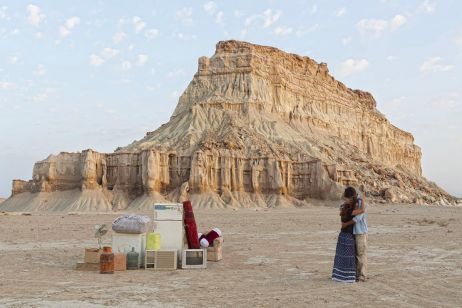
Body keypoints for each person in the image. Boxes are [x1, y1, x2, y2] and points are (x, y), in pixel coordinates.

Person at [342, 186, 368, 282]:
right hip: (354, 232)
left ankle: (362, 275)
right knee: (356, 254)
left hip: (360, 232)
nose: (346, 200)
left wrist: (345, 225)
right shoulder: (353, 203)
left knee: (361, 254)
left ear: (351, 197)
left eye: (347, 198)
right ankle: (357, 274)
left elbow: (357, 218)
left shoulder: (360, 203)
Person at [331, 197, 357, 283]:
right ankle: (348, 277)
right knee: (348, 256)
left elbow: (343, 223)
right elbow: (358, 216)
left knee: (341, 255)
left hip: (342, 234)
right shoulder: (351, 210)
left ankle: (338, 275)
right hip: (349, 235)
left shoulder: (343, 209)